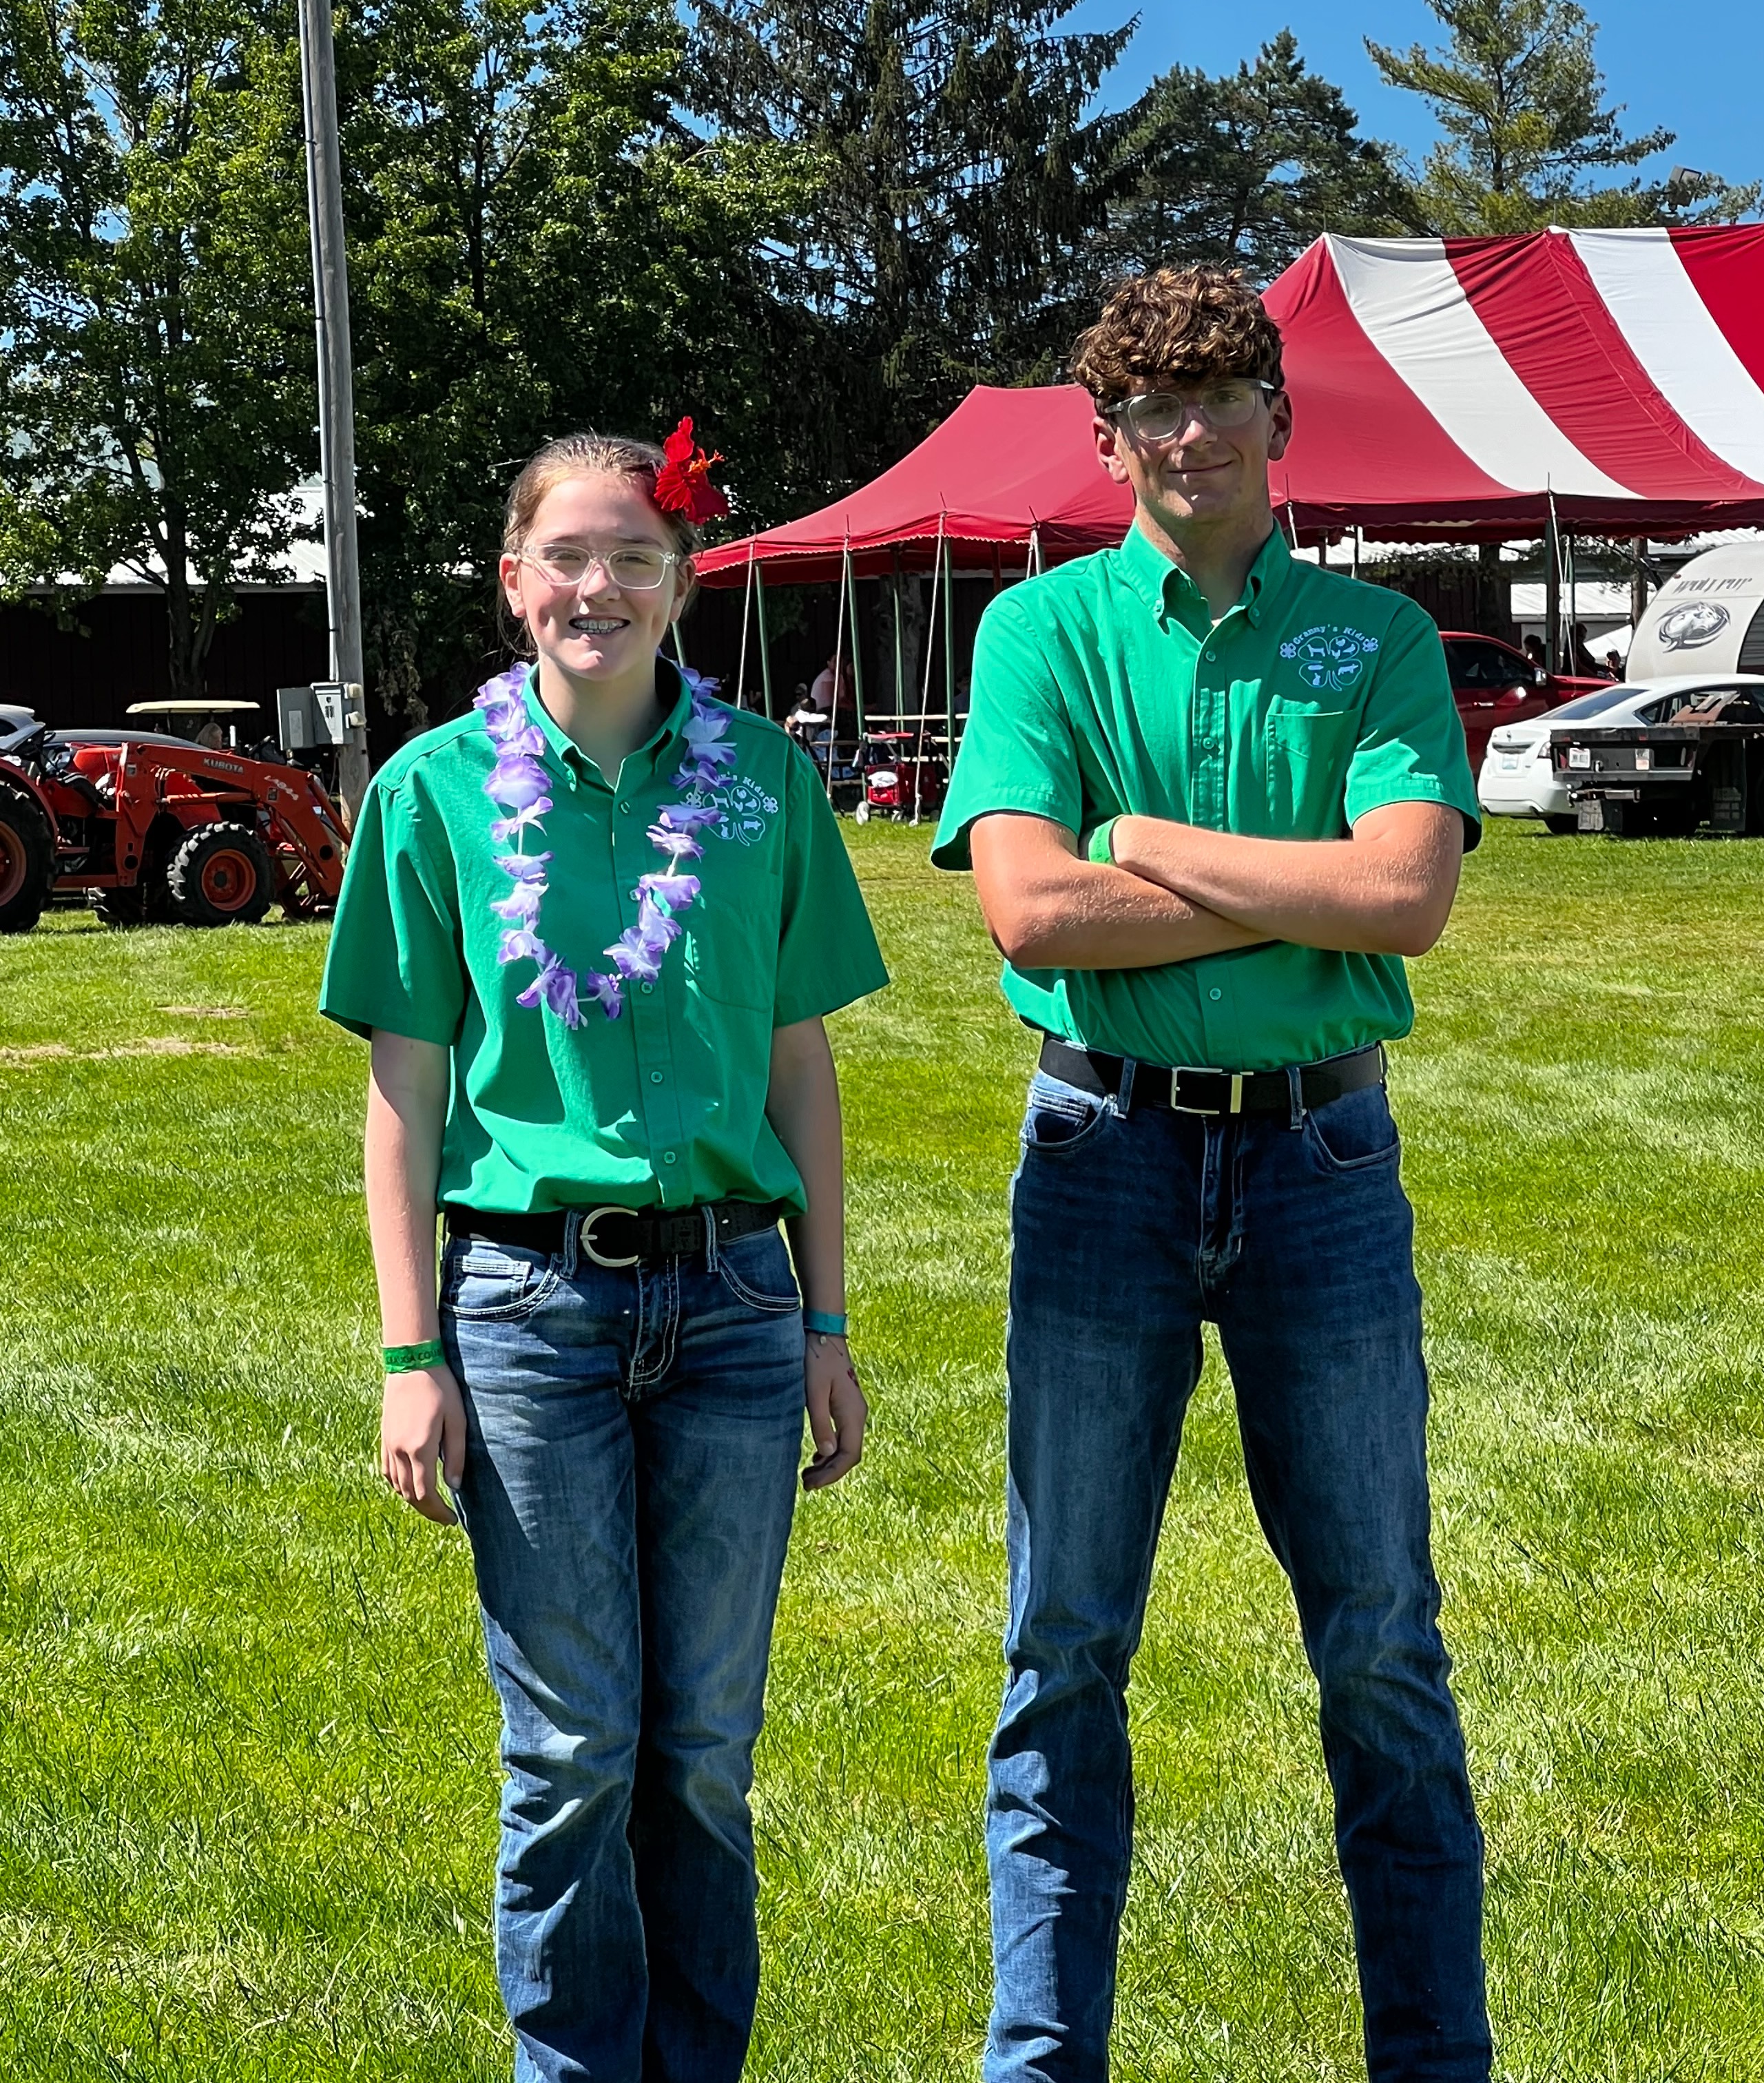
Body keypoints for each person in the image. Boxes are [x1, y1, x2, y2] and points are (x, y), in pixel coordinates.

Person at [933, 265, 1491, 2080]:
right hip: (1100, 1156)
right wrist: (1285, 876)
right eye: (1150, 410)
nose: (1187, 432)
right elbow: (1027, 907)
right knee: (1063, 1643)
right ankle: (1043, 2061)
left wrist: (1150, 844)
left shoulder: (1377, 642)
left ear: (1279, 421)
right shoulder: (1040, 635)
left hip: (1321, 1161)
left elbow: (1406, 894)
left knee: (1385, 1647)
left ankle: (1433, 2060)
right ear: (1106, 448)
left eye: (1219, 398)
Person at [318, 430, 888, 2083]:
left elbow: (801, 1070)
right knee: (572, 1751)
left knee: (703, 1750)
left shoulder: (768, 783)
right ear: (514, 583)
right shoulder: (430, 793)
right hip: (525, 1310)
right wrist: (409, 1354)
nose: (599, 585)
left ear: (684, 580)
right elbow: (403, 1103)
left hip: (729, 1305)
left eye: (635, 555)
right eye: (567, 554)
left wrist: (827, 1318)